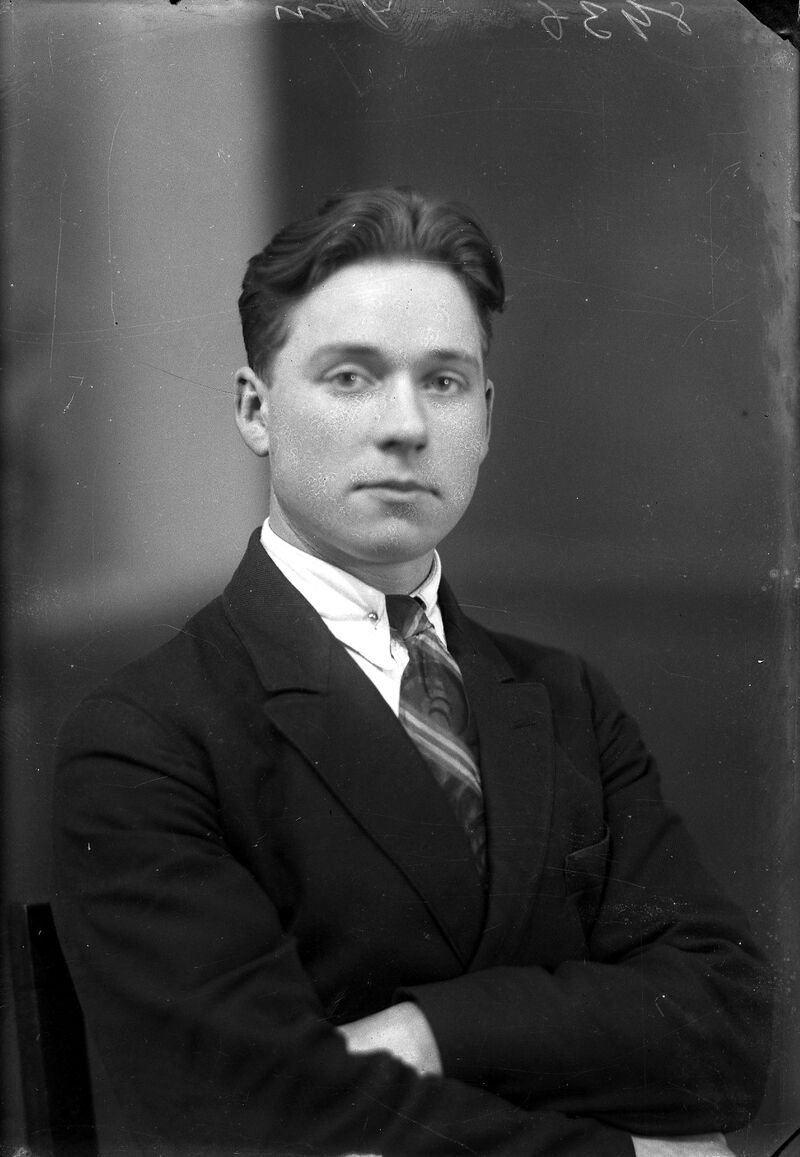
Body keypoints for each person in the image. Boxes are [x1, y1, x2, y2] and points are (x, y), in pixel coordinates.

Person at [53, 187, 772, 1157]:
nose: (405, 425)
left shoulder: (566, 701)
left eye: (442, 380)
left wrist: (433, 1031)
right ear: (256, 409)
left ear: (486, 414)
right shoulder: (149, 735)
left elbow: (724, 1030)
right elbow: (258, 1109)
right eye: (351, 376)